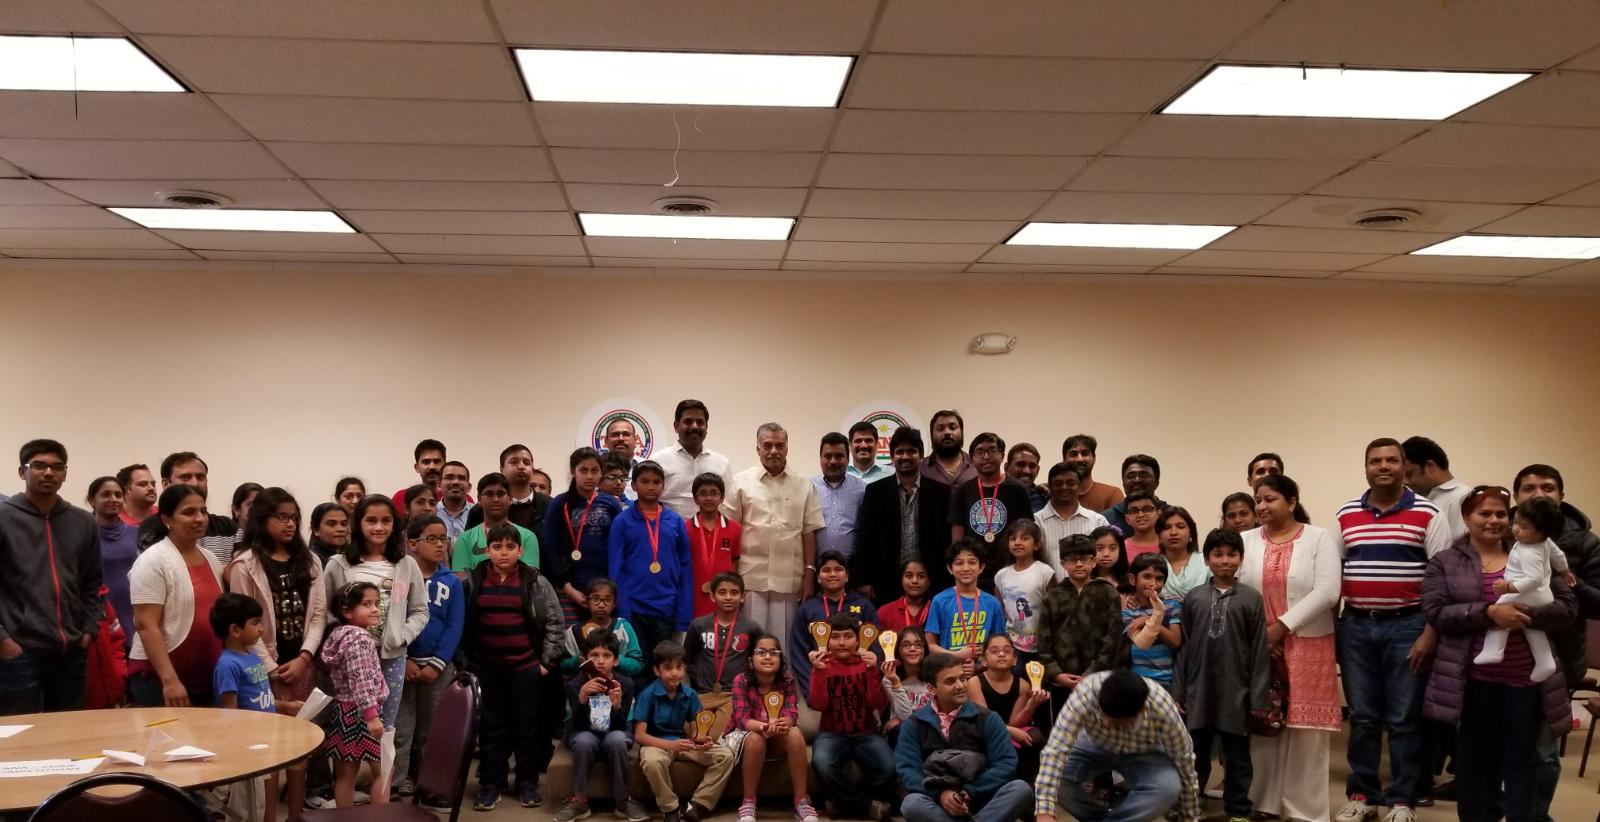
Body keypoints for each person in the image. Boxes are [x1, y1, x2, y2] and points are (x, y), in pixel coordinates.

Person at [1421, 485, 1577, 822]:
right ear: (1466, 517)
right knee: (1474, 761)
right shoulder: (1445, 562)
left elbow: (1567, 610)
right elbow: (1436, 613)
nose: (1494, 520)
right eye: (1484, 513)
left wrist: (1524, 614)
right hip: (1471, 679)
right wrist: (1489, 613)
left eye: (1501, 514)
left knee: (1522, 759)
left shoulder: (1534, 548)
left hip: (1526, 682)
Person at [1331, 439, 1451, 822]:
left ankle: (1402, 800)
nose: (1383, 466)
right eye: (1375, 461)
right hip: (1356, 626)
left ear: (1404, 466)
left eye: (1391, 460)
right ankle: (1362, 795)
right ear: (1365, 467)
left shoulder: (1429, 513)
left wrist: (1430, 633)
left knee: (1403, 719)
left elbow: (1442, 581)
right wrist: (1334, 632)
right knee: (1363, 718)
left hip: (1409, 626)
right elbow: (1333, 577)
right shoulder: (1346, 514)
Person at [1241, 473, 1342, 822]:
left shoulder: (1319, 538)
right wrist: (1261, 637)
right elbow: (1237, 590)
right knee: (1264, 720)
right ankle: (1264, 803)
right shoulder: (1246, 540)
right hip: (1259, 644)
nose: (1262, 506)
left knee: (1306, 729)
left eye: (1270, 499)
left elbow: (1328, 591)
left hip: (1308, 641)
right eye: (1258, 500)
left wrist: (1281, 628)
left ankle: (1305, 810)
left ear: (1292, 502)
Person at [464, 523, 566, 811]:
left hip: (525, 669)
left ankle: (527, 783)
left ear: (520, 550)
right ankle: (491, 784)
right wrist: (466, 663)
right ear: (487, 550)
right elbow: (464, 624)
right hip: (485, 670)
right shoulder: (473, 581)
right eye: (497, 546)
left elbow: (555, 621)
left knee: (526, 728)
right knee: (490, 729)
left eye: (510, 547)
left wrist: (546, 662)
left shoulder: (534, 581)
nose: (504, 552)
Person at [321, 495, 429, 758]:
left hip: (391, 657)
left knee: (385, 727)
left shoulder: (406, 564)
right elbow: (324, 610)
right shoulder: (339, 564)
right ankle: (349, 778)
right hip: (352, 661)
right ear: (358, 523)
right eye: (371, 520)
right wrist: (347, 639)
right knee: (352, 725)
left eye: (386, 521)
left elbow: (420, 610)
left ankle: (382, 781)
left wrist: (402, 637)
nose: (379, 527)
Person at [1174, 528, 1271, 822]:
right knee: (1195, 754)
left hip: (1236, 691)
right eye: (1218, 554)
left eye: (1232, 554)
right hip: (1199, 690)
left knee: (1238, 756)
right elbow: (1184, 646)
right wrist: (1180, 691)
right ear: (1206, 560)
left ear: (1241, 558)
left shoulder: (1251, 599)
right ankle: (1189, 804)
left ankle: (1238, 808)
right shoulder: (1194, 598)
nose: (1225, 560)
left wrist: (1258, 696)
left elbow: (1259, 650)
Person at [0, 439, 102, 715]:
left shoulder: (83, 522)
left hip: (71, 651)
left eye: (57, 467)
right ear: (22, 472)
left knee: (68, 731)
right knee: (21, 733)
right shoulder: (4, 518)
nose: (48, 473)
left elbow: (92, 582)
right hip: (18, 652)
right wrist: (4, 641)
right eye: (39, 466)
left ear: (65, 474)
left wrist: (88, 629)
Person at [1033, 668, 1200, 822]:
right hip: (1094, 744)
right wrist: (1044, 812)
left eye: (1118, 724)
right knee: (1054, 775)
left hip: (1143, 751)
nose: (1109, 726)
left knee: (1169, 787)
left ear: (1141, 711)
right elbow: (1055, 751)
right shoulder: (1086, 694)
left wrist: (1189, 817)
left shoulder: (1161, 707)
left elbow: (1184, 763)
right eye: (1105, 720)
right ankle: (1101, 818)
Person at [896, 650, 1033, 822]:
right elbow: (908, 769)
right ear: (932, 689)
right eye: (950, 681)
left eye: (963, 678)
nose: (960, 686)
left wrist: (970, 791)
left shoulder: (988, 718)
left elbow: (1006, 763)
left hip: (982, 800)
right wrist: (941, 794)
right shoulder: (914, 723)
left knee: (1020, 789)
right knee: (911, 804)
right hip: (938, 804)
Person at [225, 488, 326, 707]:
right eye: (282, 517)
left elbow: (318, 615)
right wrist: (272, 671)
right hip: (263, 664)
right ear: (262, 519)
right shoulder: (245, 566)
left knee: (306, 723)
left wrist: (304, 658)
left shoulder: (310, 561)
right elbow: (245, 625)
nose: (290, 524)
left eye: (294, 518)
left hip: (303, 661)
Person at [127, 484, 223, 708]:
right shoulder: (153, 561)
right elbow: (146, 625)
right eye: (189, 512)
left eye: (203, 511)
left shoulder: (210, 558)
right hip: (160, 678)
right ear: (166, 519)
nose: (199, 518)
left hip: (203, 674)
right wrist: (169, 680)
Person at [722, 423, 824, 634]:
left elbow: (809, 531)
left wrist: (809, 574)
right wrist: (730, 575)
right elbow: (730, 530)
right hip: (749, 577)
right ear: (757, 448)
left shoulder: (804, 485)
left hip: (789, 579)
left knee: (783, 641)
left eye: (780, 445)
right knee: (749, 639)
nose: (774, 451)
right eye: (767, 445)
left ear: (787, 448)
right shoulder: (741, 482)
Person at [212, 592, 305, 821]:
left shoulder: (252, 656)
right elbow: (229, 713)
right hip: (251, 741)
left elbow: (259, 698)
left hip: (267, 733)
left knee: (289, 769)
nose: (261, 629)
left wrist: (286, 705)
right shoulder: (227, 665)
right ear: (235, 630)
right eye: (255, 623)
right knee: (259, 798)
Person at [395, 515, 464, 802]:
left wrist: (438, 663)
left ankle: (430, 783)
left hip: (438, 668)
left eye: (443, 539)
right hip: (402, 664)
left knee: (432, 729)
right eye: (431, 539)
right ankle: (397, 781)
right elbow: (393, 621)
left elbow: (454, 626)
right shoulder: (399, 578)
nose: (440, 545)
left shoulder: (452, 582)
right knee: (401, 728)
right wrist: (404, 659)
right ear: (412, 544)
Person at [633, 640, 737, 822]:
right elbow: (640, 735)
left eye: (679, 667)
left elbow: (696, 732)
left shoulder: (690, 695)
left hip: (683, 742)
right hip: (656, 743)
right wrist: (670, 745)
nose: (675, 673)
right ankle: (671, 808)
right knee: (652, 762)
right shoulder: (647, 695)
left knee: (726, 755)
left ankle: (698, 804)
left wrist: (702, 741)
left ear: (684, 668)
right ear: (657, 670)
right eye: (668, 668)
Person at [807, 613, 895, 820]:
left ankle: (841, 804)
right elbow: (818, 705)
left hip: (866, 733)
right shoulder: (822, 666)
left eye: (848, 636)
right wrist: (819, 672)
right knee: (822, 764)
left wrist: (872, 671)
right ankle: (866, 806)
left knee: (889, 769)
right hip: (832, 734)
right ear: (826, 640)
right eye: (835, 637)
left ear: (858, 640)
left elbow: (878, 703)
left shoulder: (867, 664)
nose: (841, 642)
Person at [556, 631, 650, 822]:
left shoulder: (625, 684)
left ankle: (623, 801)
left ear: (616, 661)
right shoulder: (576, 684)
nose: (600, 661)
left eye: (606, 655)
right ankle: (580, 802)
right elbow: (576, 725)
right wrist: (582, 699)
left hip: (614, 733)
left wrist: (616, 707)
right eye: (594, 655)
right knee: (584, 741)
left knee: (616, 740)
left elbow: (622, 726)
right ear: (585, 659)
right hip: (584, 733)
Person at [853, 427, 953, 604]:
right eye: (899, 452)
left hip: (931, 580)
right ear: (892, 457)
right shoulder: (875, 491)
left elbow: (946, 539)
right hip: (885, 580)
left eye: (911, 451)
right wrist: (863, 579)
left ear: (921, 456)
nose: (905, 456)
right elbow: (866, 538)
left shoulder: (941, 492)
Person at [1473, 497, 1568, 682]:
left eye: (1523, 527)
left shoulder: (1530, 552)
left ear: (1541, 533)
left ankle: (1494, 650)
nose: (1515, 528)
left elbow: (1534, 579)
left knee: (1500, 609)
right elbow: (1558, 555)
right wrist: (1565, 571)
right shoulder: (1544, 542)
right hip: (1541, 595)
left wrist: (1509, 587)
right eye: (1515, 522)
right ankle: (1545, 661)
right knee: (1531, 627)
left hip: (1528, 592)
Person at [611, 461, 695, 664]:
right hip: (634, 606)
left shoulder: (675, 521)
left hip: (667, 605)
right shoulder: (622, 521)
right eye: (645, 481)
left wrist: (683, 610)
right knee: (638, 664)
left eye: (656, 482)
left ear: (663, 485)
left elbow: (685, 567)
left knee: (663, 665)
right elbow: (615, 568)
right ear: (634, 485)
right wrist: (622, 608)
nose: (651, 486)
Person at [729, 632, 815, 822]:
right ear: (751, 660)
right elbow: (742, 719)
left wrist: (786, 722)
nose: (768, 657)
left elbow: (792, 713)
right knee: (755, 738)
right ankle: (748, 802)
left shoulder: (787, 680)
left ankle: (801, 801)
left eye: (773, 653)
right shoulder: (741, 680)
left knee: (795, 733)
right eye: (761, 652)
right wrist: (764, 726)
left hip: (776, 738)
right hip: (747, 738)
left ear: (780, 659)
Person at [320, 581, 388, 809]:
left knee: (345, 774)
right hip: (363, 714)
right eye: (367, 604)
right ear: (347, 612)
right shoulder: (360, 639)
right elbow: (362, 680)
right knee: (383, 770)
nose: (375, 609)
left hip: (343, 710)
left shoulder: (340, 635)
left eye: (376, 603)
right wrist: (372, 716)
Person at [1037, 535, 1123, 703]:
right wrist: (1056, 673)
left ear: (1094, 561)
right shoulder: (1053, 596)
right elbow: (1043, 640)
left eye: (1084, 559)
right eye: (1072, 560)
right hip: (1061, 680)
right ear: (1063, 563)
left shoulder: (1108, 593)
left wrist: (1091, 673)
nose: (1078, 564)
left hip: (1099, 677)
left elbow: (1113, 638)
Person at [545, 448, 626, 622]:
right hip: (569, 587)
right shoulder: (560, 503)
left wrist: (609, 587)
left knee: (602, 635)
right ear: (573, 472)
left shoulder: (610, 503)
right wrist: (568, 589)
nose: (589, 476)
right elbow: (551, 547)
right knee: (574, 636)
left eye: (595, 471)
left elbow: (619, 547)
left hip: (604, 588)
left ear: (601, 473)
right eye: (583, 470)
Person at [948, 432, 1033, 589]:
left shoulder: (1018, 490)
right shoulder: (962, 491)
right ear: (972, 459)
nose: (986, 457)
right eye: (980, 452)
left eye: (992, 450)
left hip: (1010, 571)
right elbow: (957, 541)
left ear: (1002, 455)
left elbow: (1027, 532)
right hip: (974, 573)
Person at [791, 553, 878, 697]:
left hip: (859, 688)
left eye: (838, 569)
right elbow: (798, 654)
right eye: (826, 570)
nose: (832, 574)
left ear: (847, 576)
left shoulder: (864, 606)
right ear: (818, 578)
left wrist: (867, 687)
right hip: (820, 688)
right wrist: (813, 690)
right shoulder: (806, 609)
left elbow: (876, 647)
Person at [684, 572, 762, 729]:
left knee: (713, 732)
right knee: (691, 728)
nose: (728, 597)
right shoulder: (698, 625)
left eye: (734, 593)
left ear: (743, 597)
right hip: (703, 694)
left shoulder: (751, 628)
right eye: (722, 592)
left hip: (734, 695)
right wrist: (698, 679)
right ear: (712, 596)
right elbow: (687, 659)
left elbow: (757, 661)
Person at [965, 634, 1049, 779]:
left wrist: (1031, 706)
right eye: (994, 651)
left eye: (1007, 651)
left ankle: (1028, 782)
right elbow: (985, 720)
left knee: (1034, 738)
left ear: (1015, 659)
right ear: (984, 660)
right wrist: (1010, 732)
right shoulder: (974, 683)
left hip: (1010, 728)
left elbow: (1014, 722)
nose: (1001, 654)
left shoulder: (1023, 685)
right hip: (984, 730)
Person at [136, 451, 238, 564]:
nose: (195, 484)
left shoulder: (227, 527)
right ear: (166, 484)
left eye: (200, 477)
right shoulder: (152, 528)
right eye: (185, 477)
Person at [925, 539, 1005, 673]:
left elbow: (1000, 644)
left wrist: (980, 666)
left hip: (983, 675)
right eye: (959, 563)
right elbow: (931, 645)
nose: (966, 568)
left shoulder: (992, 603)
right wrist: (958, 655)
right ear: (950, 568)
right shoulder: (940, 601)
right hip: (947, 671)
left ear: (981, 567)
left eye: (972, 562)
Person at [655, 400, 732, 519]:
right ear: (676, 426)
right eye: (688, 421)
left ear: (707, 427)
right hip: (669, 529)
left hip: (712, 530)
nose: (695, 426)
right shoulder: (658, 461)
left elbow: (728, 505)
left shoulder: (722, 463)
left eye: (700, 422)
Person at [1034, 463, 1111, 580]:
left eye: (1070, 483)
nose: (1064, 487)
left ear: (1079, 486)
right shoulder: (1036, 522)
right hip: (1048, 590)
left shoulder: (1098, 521)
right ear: (1049, 486)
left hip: (1090, 590)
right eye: (1058, 483)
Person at [560, 578, 646, 682]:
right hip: (584, 687)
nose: (601, 605)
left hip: (619, 686)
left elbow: (638, 664)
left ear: (614, 604)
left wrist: (616, 660)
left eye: (608, 600)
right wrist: (577, 661)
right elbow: (562, 666)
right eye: (595, 599)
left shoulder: (623, 627)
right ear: (587, 601)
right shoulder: (574, 632)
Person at [452, 473, 540, 572]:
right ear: (479, 499)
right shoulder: (465, 538)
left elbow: (530, 577)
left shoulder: (528, 536)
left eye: (501, 494)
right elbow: (461, 577)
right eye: (489, 494)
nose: (495, 499)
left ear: (510, 498)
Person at [88, 476, 138, 650]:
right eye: (106, 494)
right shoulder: (83, 535)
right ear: (92, 500)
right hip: (100, 616)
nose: (113, 499)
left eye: (118, 495)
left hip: (135, 616)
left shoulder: (137, 533)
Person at [994, 519, 1053, 665]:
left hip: (1042, 645)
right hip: (1013, 645)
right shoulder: (1001, 575)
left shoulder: (1045, 572)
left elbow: (1054, 609)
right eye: (1013, 539)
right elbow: (1001, 609)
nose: (1018, 542)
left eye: (1025, 538)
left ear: (1036, 544)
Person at [464, 444, 556, 535]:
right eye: (514, 462)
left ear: (532, 469)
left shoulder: (550, 505)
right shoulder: (482, 508)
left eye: (526, 463)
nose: (521, 466)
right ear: (501, 468)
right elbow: (470, 539)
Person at [1123, 554, 1182, 691]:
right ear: (1133, 579)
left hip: (1167, 682)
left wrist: (1147, 620)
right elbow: (1142, 642)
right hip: (1137, 682)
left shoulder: (1172, 606)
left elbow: (1175, 641)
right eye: (1147, 576)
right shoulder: (1128, 613)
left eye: (1159, 578)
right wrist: (1156, 619)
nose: (1153, 583)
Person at [687, 473, 742, 619]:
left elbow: (735, 563)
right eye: (703, 494)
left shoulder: (735, 528)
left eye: (713, 493)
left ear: (722, 498)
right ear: (695, 498)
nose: (708, 498)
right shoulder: (685, 528)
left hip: (724, 597)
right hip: (693, 595)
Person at [1402, 436, 1471, 544]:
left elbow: (1463, 546)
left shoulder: (1464, 497)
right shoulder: (1416, 498)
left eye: (1409, 474)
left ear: (1430, 466)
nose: (1405, 482)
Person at [813, 432, 867, 562]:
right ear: (820, 458)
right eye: (827, 456)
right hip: (818, 568)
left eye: (839, 456)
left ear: (848, 459)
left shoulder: (863, 489)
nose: (833, 461)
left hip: (853, 567)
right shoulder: (809, 488)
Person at [883, 626, 930, 737]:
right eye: (906, 645)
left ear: (924, 650)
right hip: (905, 734)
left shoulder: (934, 675)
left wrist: (900, 719)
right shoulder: (889, 678)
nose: (912, 648)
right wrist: (896, 683)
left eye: (918, 645)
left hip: (930, 731)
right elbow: (906, 717)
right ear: (898, 651)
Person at [1102, 455, 1164, 538]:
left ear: (1156, 482)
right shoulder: (1105, 519)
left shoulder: (1169, 516)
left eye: (1144, 475)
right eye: (1130, 476)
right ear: (1123, 483)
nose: (1137, 480)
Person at [1062, 434, 1124, 514]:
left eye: (1085, 453)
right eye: (1074, 454)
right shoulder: (1053, 493)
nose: (1080, 459)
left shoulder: (1112, 494)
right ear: (1064, 460)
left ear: (1094, 458)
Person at [1156, 507, 1208, 600]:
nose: (1173, 532)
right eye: (1166, 528)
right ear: (1159, 537)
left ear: (1191, 533)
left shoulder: (1206, 563)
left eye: (1180, 527)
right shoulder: (1152, 565)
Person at [922, 410, 976, 487]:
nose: (947, 432)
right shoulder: (920, 468)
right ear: (931, 435)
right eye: (940, 429)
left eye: (952, 428)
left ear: (962, 433)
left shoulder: (976, 465)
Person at [877, 559, 932, 634]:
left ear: (928, 582)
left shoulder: (936, 610)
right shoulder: (885, 612)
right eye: (909, 576)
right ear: (901, 580)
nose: (914, 581)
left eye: (921, 576)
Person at [390, 439, 446, 511]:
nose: (432, 467)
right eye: (426, 462)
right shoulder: (400, 498)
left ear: (445, 466)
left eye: (437, 461)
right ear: (416, 467)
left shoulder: (457, 498)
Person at [603, 419, 643, 502]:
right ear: (606, 440)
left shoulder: (647, 467)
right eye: (615, 434)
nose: (621, 438)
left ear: (635, 440)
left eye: (626, 434)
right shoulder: (597, 468)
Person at [1118, 491, 1163, 564]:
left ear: (1158, 514)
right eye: (1134, 511)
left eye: (1147, 509)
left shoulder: (1167, 544)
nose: (1140, 515)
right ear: (1127, 519)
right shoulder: (1121, 549)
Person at [1005, 442, 1048, 513]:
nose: (1027, 471)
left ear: (1038, 470)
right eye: (1020, 464)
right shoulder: (994, 496)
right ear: (1006, 468)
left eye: (1032, 466)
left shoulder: (1047, 499)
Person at [1089, 526, 1132, 595]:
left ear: (1120, 550)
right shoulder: (1084, 580)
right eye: (1099, 548)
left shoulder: (1130, 580)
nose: (1106, 554)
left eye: (1112, 548)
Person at [435, 461, 473, 540]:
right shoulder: (431, 513)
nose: (456, 482)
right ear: (439, 485)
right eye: (449, 477)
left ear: (469, 487)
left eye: (461, 478)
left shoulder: (479, 513)